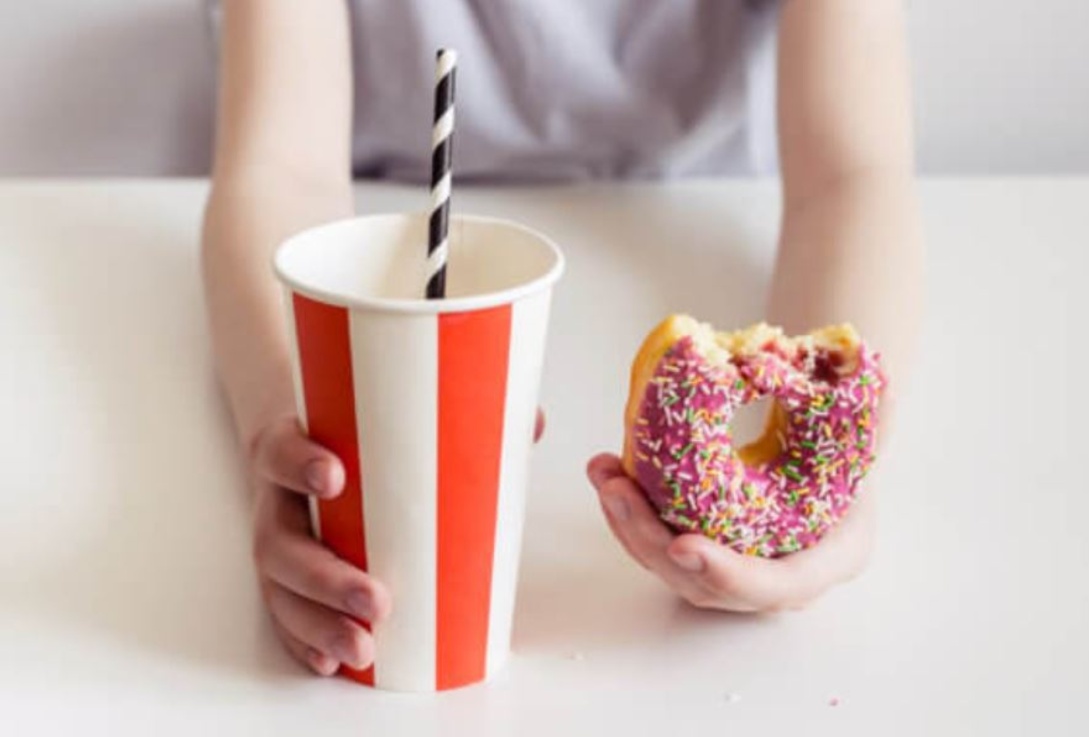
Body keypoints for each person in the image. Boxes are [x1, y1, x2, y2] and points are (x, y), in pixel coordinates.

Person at [201, 0, 923, 677]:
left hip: (695, 207)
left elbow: (851, 177)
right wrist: (284, 431)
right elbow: (282, 171)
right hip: (383, 228)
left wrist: (842, 474)